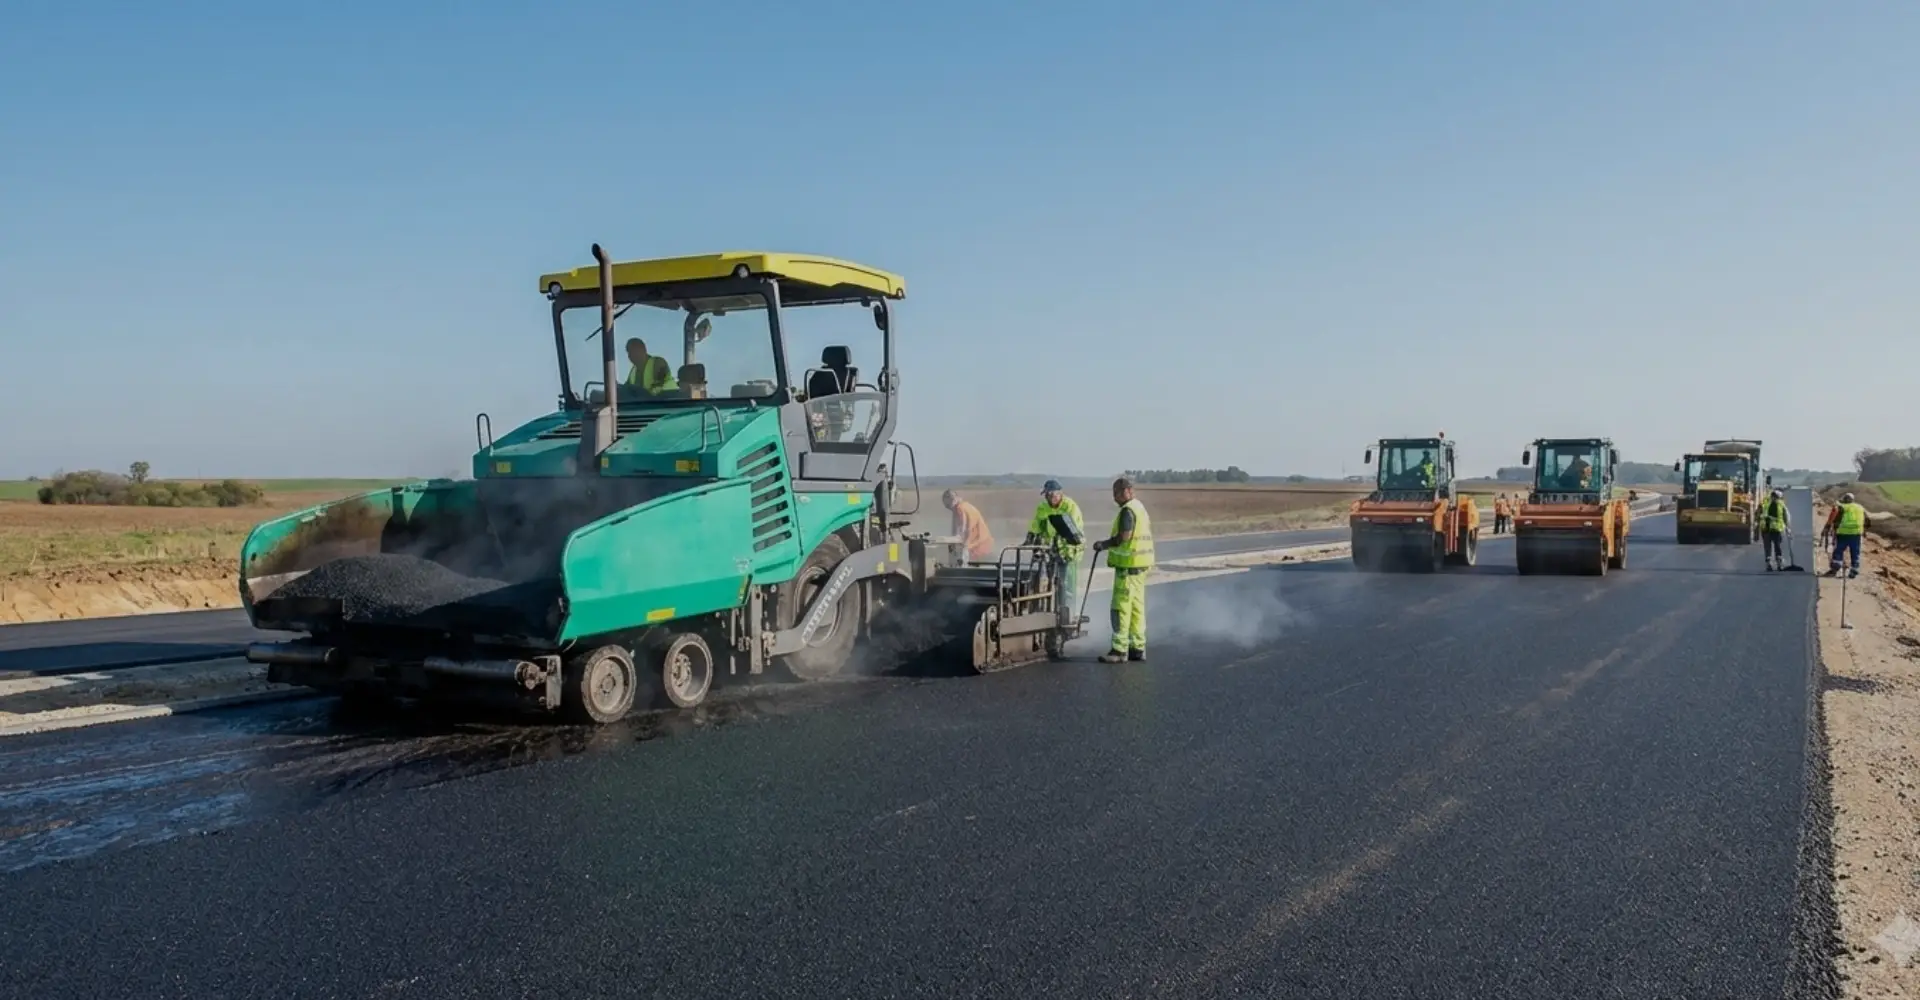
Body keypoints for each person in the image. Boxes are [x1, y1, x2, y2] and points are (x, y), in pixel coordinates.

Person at [1092, 477, 1154, 663]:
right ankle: (1137, 648)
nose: (1114, 498)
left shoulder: (1128, 511)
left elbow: (1124, 537)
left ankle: (1119, 650)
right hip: (1140, 566)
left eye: (1116, 494)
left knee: (1120, 608)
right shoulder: (1139, 508)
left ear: (1125, 492)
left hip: (1127, 568)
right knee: (1137, 609)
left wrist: (1103, 545)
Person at [1025, 479, 1086, 616]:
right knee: (1050, 581)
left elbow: (1073, 531)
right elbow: (1037, 523)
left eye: (1050, 495)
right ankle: (1049, 611)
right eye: (1046, 495)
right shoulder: (1043, 507)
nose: (1048, 498)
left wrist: (1059, 542)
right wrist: (1031, 536)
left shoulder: (1070, 507)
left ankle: (1068, 614)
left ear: (1058, 494)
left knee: (1067, 584)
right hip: (1051, 550)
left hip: (1069, 550)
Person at [943, 489, 995, 562]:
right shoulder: (965, 506)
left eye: (948, 506)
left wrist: (960, 547)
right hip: (984, 546)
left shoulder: (960, 509)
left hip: (978, 549)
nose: (949, 509)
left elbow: (962, 531)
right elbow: (957, 531)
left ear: (953, 500)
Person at [1828, 491, 1868, 578]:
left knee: (1838, 550)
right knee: (1855, 552)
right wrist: (1864, 531)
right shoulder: (1860, 507)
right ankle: (1854, 569)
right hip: (1856, 533)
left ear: (1845, 500)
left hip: (1843, 533)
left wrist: (1828, 526)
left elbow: (1834, 515)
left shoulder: (1841, 507)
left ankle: (1836, 566)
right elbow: (1866, 520)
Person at [1760, 488, 1790, 571]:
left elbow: (1759, 514)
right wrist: (1787, 527)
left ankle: (1770, 564)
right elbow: (1786, 516)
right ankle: (1778, 564)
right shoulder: (1781, 504)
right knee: (1777, 547)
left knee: (1768, 547)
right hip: (1775, 529)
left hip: (1766, 529)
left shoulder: (1765, 503)